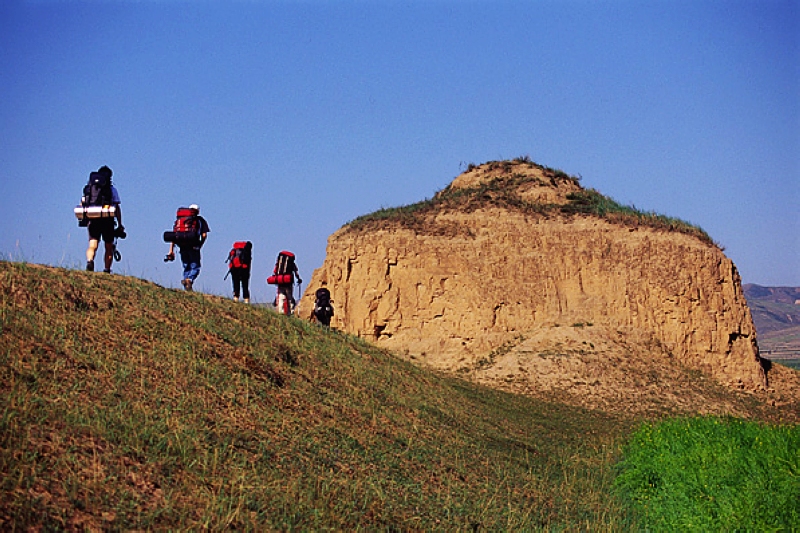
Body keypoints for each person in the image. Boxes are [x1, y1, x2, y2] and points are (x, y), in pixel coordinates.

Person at [84, 165, 123, 273]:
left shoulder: (90, 189)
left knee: (93, 244)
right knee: (108, 246)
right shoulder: (111, 189)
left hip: (93, 218)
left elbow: (83, 203)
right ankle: (107, 269)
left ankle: (90, 261)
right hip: (108, 220)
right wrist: (120, 224)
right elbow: (117, 208)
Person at [165, 204, 209, 291]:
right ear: (198, 211)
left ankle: (186, 282)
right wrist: (200, 245)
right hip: (194, 245)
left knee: (186, 266)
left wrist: (171, 250)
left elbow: (175, 236)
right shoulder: (200, 220)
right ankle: (189, 280)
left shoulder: (180, 220)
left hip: (182, 246)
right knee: (195, 266)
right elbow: (204, 235)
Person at [268, 250, 301, 315]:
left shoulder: (279, 264)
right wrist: (299, 279)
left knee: (281, 296)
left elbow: (274, 271)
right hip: (288, 282)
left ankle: (281, 311)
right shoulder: (292, 264)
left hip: (280, 282)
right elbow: (296, 272)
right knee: (289, 297)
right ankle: (290, 312)